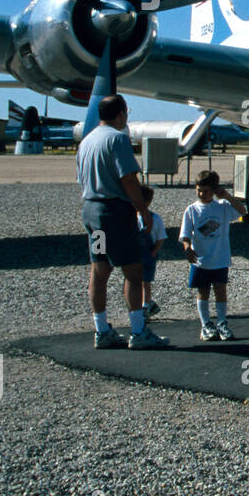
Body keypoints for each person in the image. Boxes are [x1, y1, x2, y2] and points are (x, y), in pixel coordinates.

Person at [77, 94, 169, 349]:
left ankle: (101, 328)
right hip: (114, 212)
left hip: (91, 210)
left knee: (99, 269)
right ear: (120, 114)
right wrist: (143, 211)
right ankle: (138, 331)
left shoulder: (87, 141)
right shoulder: (117, 138)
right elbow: (128, 179)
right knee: (133, 271)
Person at [180, 170, 248, 341]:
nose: (202, 194)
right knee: (203, 292)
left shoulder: (223, 207)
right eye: (199, 190)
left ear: (214, 191)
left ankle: (222, 323)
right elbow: (186, 234)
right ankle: (206, 325)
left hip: (220, 259)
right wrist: (187, 247)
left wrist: (227, 196)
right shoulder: (191, 210)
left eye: (207, 190)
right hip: (201, 261)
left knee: (220, 291)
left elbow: (243, 211)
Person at [137, 185, 167, 320]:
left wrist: (154, 252)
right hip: (135, 254)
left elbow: (161, 237)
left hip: (148, 254)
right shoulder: (131, 218)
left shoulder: (155, 219)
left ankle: (146, 306)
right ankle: (139, 306)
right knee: (134, 281)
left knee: (146, 282)